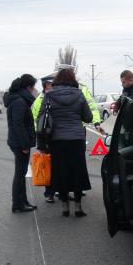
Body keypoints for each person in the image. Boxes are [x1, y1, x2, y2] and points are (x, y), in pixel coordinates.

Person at [45, 68, 93, 217]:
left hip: (57, 140)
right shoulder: (79, 94)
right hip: (76, 139)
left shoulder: (49, 95)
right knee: (77, 171)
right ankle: (78, 207)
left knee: (61, 171)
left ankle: (65, 206)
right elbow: (88, 117)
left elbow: (42, 117)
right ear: (72, 79)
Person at [5, 74, 38, 213]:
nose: (34, 90)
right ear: (28, 87)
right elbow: (18, 125)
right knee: (20, 174)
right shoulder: (20, 102)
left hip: (17, 142)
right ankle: (18, 204)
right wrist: (24, 145)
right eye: (33, 87)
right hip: (19, 144)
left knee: (21, 173)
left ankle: (22, 201)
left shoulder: (18, 99)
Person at [32, 75, 56, 203]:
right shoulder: (40, 100)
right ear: (46, 86)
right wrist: (40, 142)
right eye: (51, 84)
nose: (54, 86)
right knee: (48, 166)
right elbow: (37, 122)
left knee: (58, 165)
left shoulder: (55, 97)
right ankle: (49, 193)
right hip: (46, 137)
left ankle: (57, 190)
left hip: (56, 136)